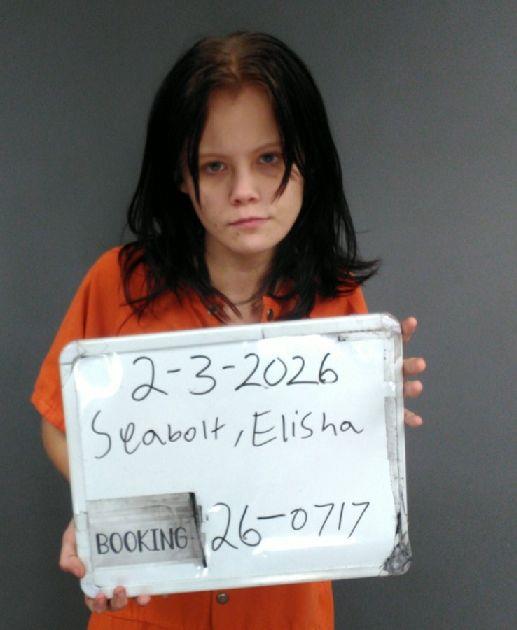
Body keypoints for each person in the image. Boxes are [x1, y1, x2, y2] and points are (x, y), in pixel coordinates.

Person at [32, 31, 426, 630]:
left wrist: (374, 417)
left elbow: (333, 467)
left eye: (269, 159)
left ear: (308, 162)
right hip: (150, 614)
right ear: (181, 176)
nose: (244, 192)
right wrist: (107, 516)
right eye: (214, 166)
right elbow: (59, 424)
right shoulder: (117, 283)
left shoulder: (337, 298)